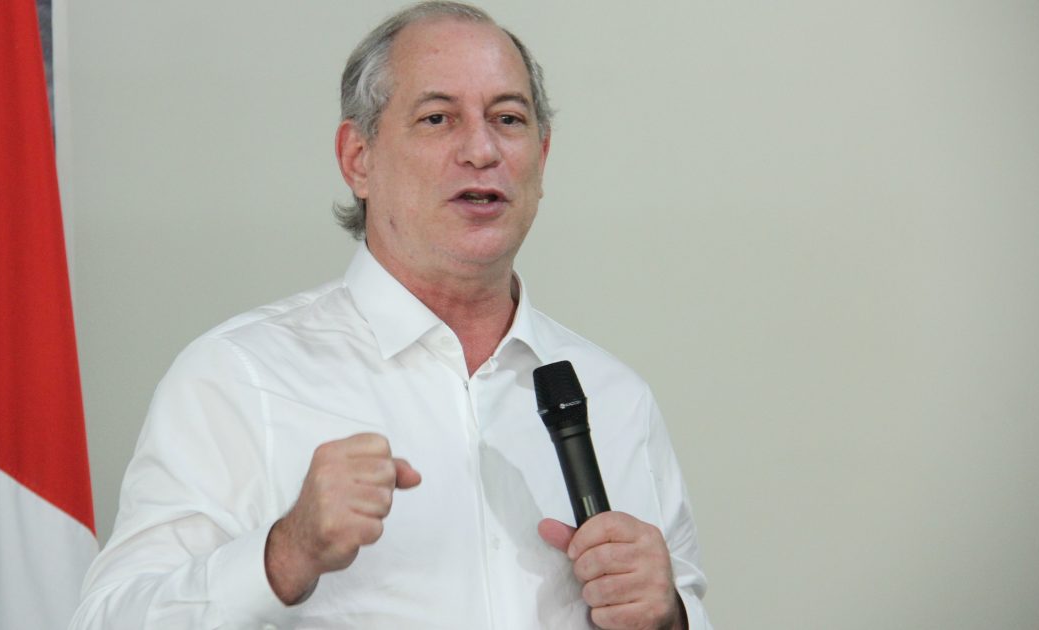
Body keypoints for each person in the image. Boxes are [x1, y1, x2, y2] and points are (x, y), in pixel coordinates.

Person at [71, 2, 711, 628]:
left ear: (541, 158)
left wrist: (669, 617)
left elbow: (678, 608)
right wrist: (284, 554)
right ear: (359, 159)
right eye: (437, 118)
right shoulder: (238, 378)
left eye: (508, 119)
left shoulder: (616, 397)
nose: (482, 149)